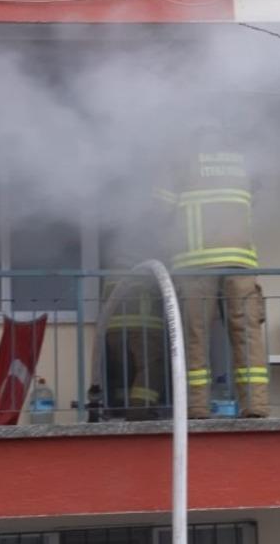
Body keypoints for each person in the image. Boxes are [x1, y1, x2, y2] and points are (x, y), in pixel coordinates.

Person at [171, 123, 268, 419]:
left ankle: (197, 406)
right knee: (247, 332)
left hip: (196, 263)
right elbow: (256, 196)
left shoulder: (181, 159)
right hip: (241, 261)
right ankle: (256, 405)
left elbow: (158, 207)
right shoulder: (246, 160)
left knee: (195, 334)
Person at [97, 178, 176, 421]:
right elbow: (158, 280)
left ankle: (120, 410)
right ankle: (139, 413)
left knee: (124, 374)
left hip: (112, 326)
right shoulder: (149, 247)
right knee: (151, 369)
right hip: (142, 323)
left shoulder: (115, 250)